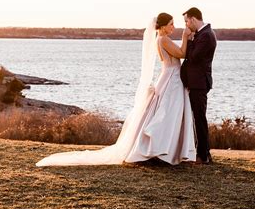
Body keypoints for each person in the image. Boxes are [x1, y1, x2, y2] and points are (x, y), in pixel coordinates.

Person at [36, 13, 196, 167]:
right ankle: (159, 150)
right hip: (170, 79)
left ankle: (165, 151)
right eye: (171, 24)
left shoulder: (161, 39)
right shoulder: (163, 39)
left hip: (169, 77)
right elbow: (181, 53)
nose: (173, 27)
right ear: (162, 26)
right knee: (165, 115)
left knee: (167, 115)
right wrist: (185, 36)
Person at [180, 7, 217, 164]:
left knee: (199, 118)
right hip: (196, 82)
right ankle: (204, 154)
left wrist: (187, 40)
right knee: (198, 118)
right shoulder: (202, 34)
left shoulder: (206, 35)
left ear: (193, 19)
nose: (187, 25)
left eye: (187, 21)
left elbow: (193, 56)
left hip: (199, 83)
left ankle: (202, 155)